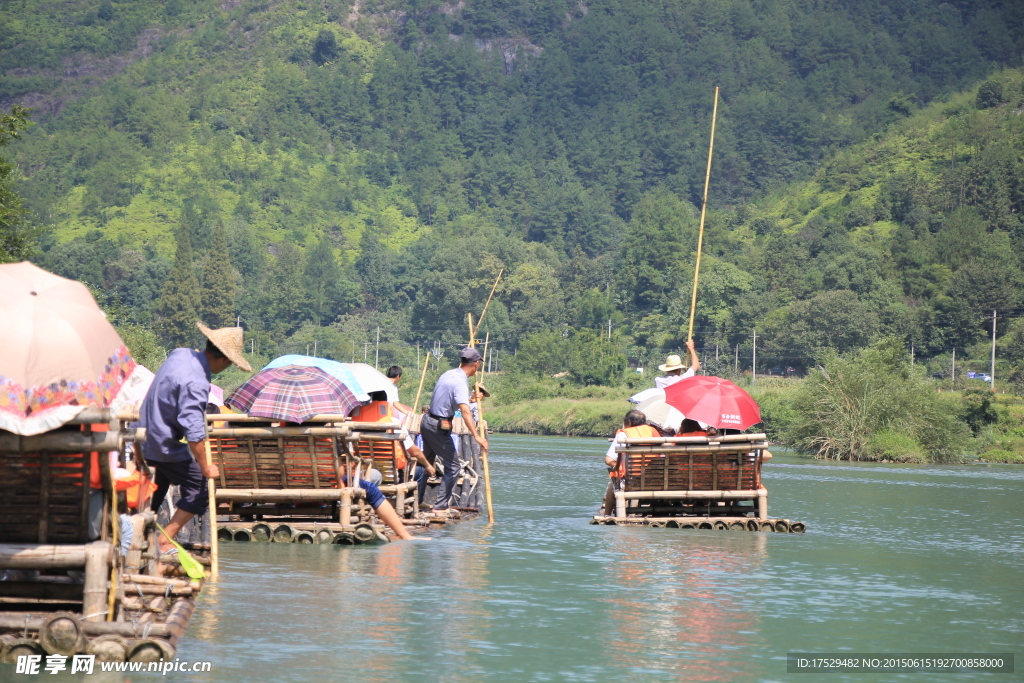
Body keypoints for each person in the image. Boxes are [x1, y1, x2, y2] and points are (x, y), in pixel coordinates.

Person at [139, 322, 252, 555]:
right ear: (224, 360)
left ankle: (138, 536)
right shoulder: (197, 382)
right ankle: (165, 538)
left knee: (155, 488)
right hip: (162, 442)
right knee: (199, 486)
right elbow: (193, 430)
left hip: (143, 435)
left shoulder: (180, 354)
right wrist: (205, 467)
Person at [420, 347, 488, 515]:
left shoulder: (449, 374)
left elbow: (453, 400)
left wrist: (471, 399)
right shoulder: (459, 382)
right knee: (453, 467)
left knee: (425, 464)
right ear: (476, 364)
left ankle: (417, 500)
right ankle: (440, 506)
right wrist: (477, 436)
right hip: (437, 427)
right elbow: (465, 412)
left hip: (427, 422)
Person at [602, 410, 659, 515]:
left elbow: (608, 460)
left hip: (631, 482)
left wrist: (620, 467)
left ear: (628, 422)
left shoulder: (624, 435)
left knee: (613, 482)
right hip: (655, 481)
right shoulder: (654, 432)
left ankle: (607, 515)